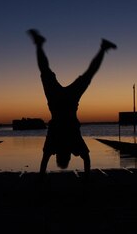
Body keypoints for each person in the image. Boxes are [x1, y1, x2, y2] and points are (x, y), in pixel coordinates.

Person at [27, 29, 116, 180]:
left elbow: (86, 160)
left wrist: (86, 178)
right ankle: (102, 48)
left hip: (64, 100)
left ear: (68, 156)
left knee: (83, 74)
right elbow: (44, 163)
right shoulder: (61, 144)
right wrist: (86, 180)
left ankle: (102, 48)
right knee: (50, 71)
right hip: (61, 100)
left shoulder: (64, 144)